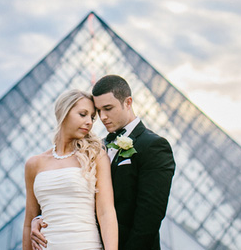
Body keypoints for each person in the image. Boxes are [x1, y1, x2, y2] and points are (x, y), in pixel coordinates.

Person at [32, 75, 175, 250]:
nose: (103, 117)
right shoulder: (95, 148)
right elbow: (75, 196)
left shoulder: (154, 146)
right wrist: (40, 219)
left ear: (128, 102)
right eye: (98, 111)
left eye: (108, 108)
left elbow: (150, 218)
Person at [23, 89, 118, 250]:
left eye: (92, 117)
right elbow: (29, 221)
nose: (89, 121)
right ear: (64, 112)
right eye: (83, 114)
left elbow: (106, 212)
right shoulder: (34, 164)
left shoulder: (95, 156)